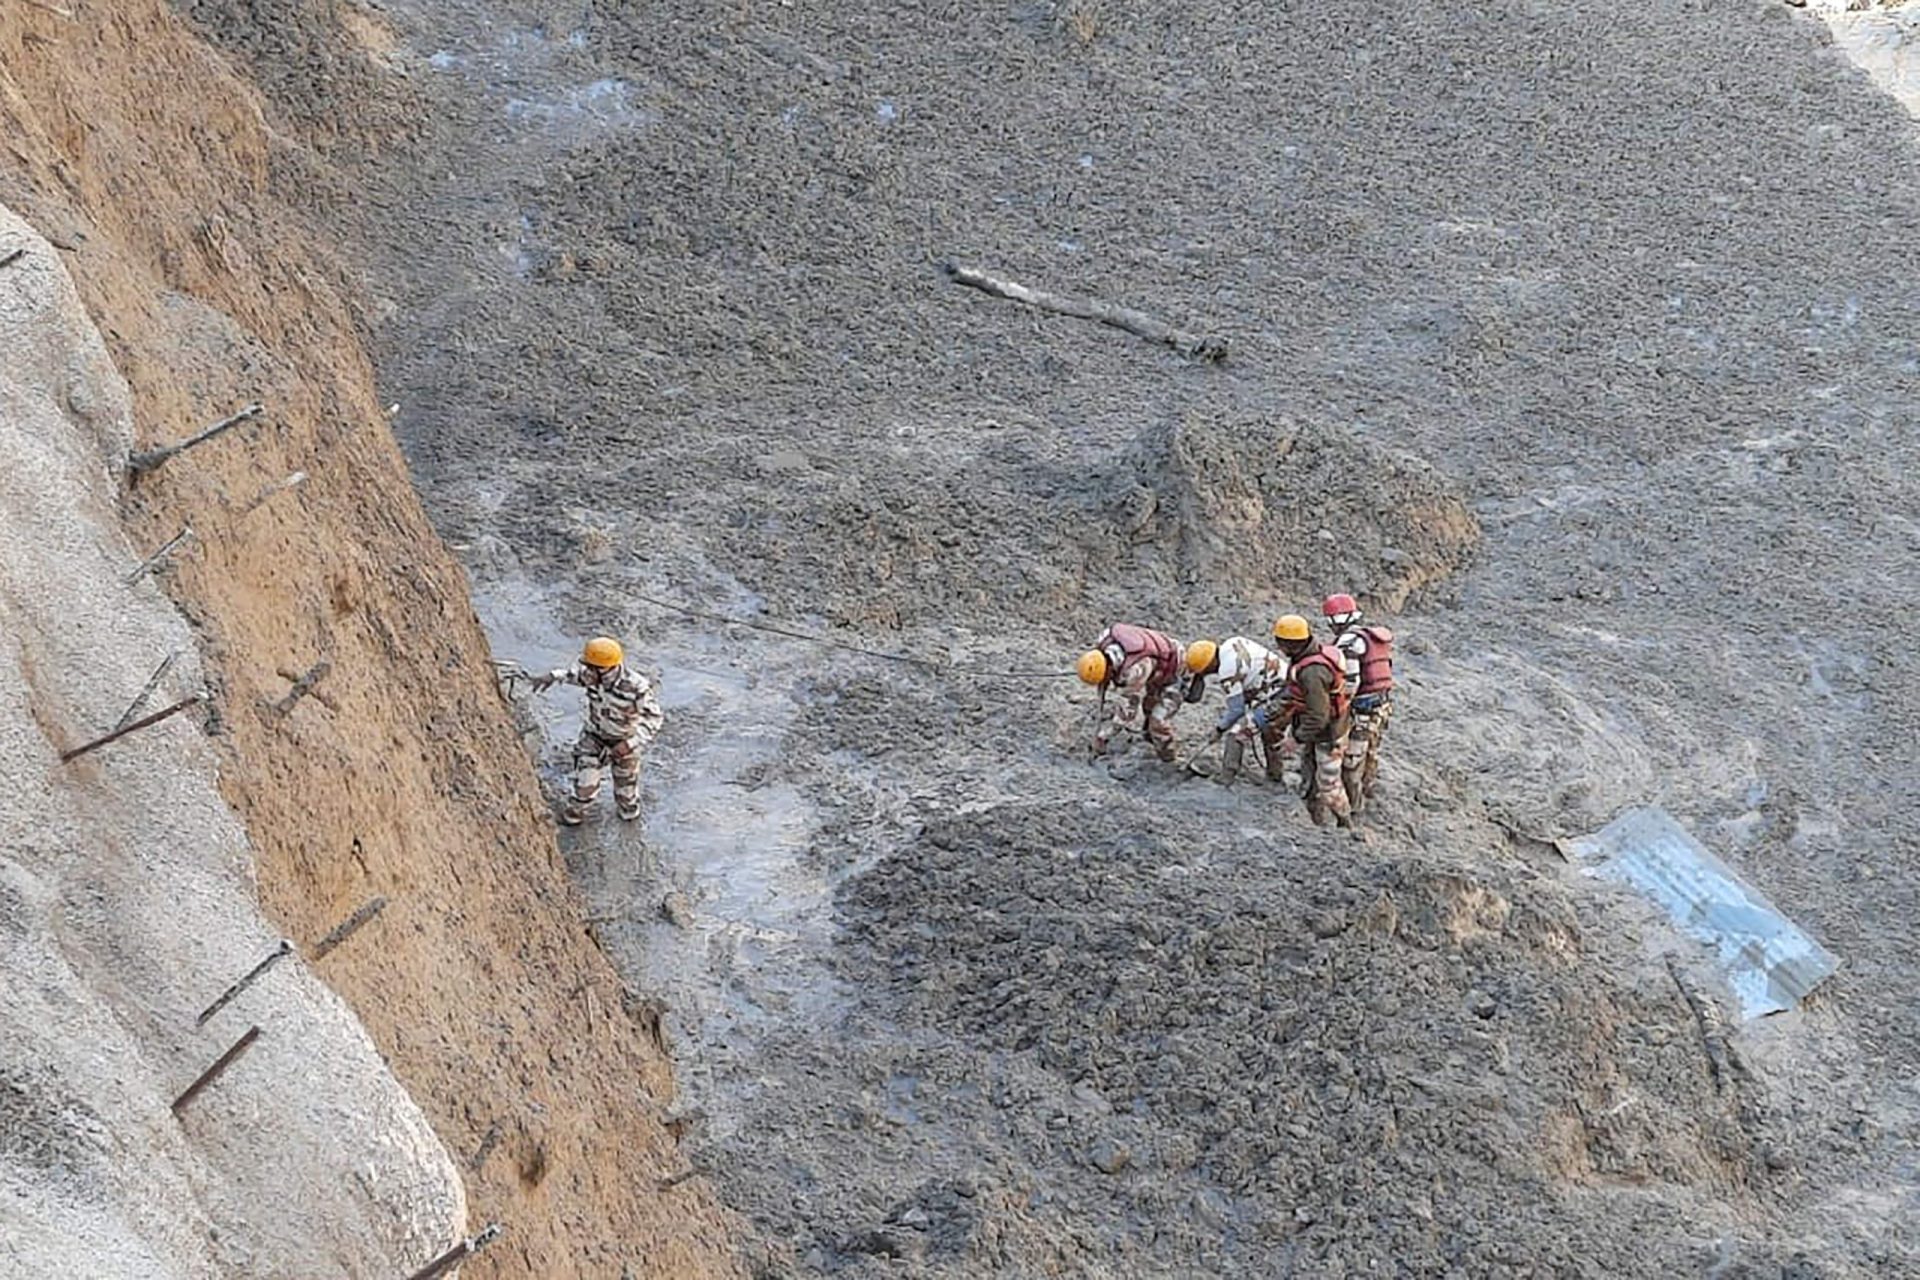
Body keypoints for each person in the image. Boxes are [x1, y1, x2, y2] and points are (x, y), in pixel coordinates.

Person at [530, 636, 663, 824]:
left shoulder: (636, 687)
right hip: (594, 739)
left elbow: (654, 718)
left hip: (625, 743)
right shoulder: (591, 676)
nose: (586, 671)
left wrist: (629, 744)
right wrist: (552, 676)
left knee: (627, 801)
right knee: (585, 789)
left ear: (604, 669)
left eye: (591, 667)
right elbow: (572, 675)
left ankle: (629, 824)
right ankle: (572, 817)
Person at [1270, 614, 1353, 828]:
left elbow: (1318, 715)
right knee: (1309, 772)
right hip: (1320, 730)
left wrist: (1295, 739)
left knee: (1329, 784)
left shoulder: (1312, 673)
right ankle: (1315, 816)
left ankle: (1345, 823)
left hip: (1329, 734)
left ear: (1289, 645)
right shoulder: (1309, 655)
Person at [1077, 623, 1193, 761]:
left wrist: (1103, 736)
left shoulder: (1133, 671)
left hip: (1176, 669)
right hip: (1155, 665)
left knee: (1157, 720)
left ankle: (1168, 758)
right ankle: (1148, 736)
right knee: (1149, 706)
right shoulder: (1104, 640)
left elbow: (1127, 713)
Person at [1323, 593, 1395, 813]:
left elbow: (1351, 683)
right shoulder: (1372, 636)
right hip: (1382, 706)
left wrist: (1336, 708)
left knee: (1352, 760)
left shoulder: (1349, 642)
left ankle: (1354, 806)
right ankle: (1368, 788)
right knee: (1371, 750)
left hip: (1363, 710)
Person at [1183, 636, 1288, 786]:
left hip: (1278, 696)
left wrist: (1219, 729)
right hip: (1286, 682)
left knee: (1238, 732)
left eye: (1205, 671)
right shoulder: (1233, 642)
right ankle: (1275, 776)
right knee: (1270, 732)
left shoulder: (1228, 671)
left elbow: (1237, 710)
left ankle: (1226, 777)